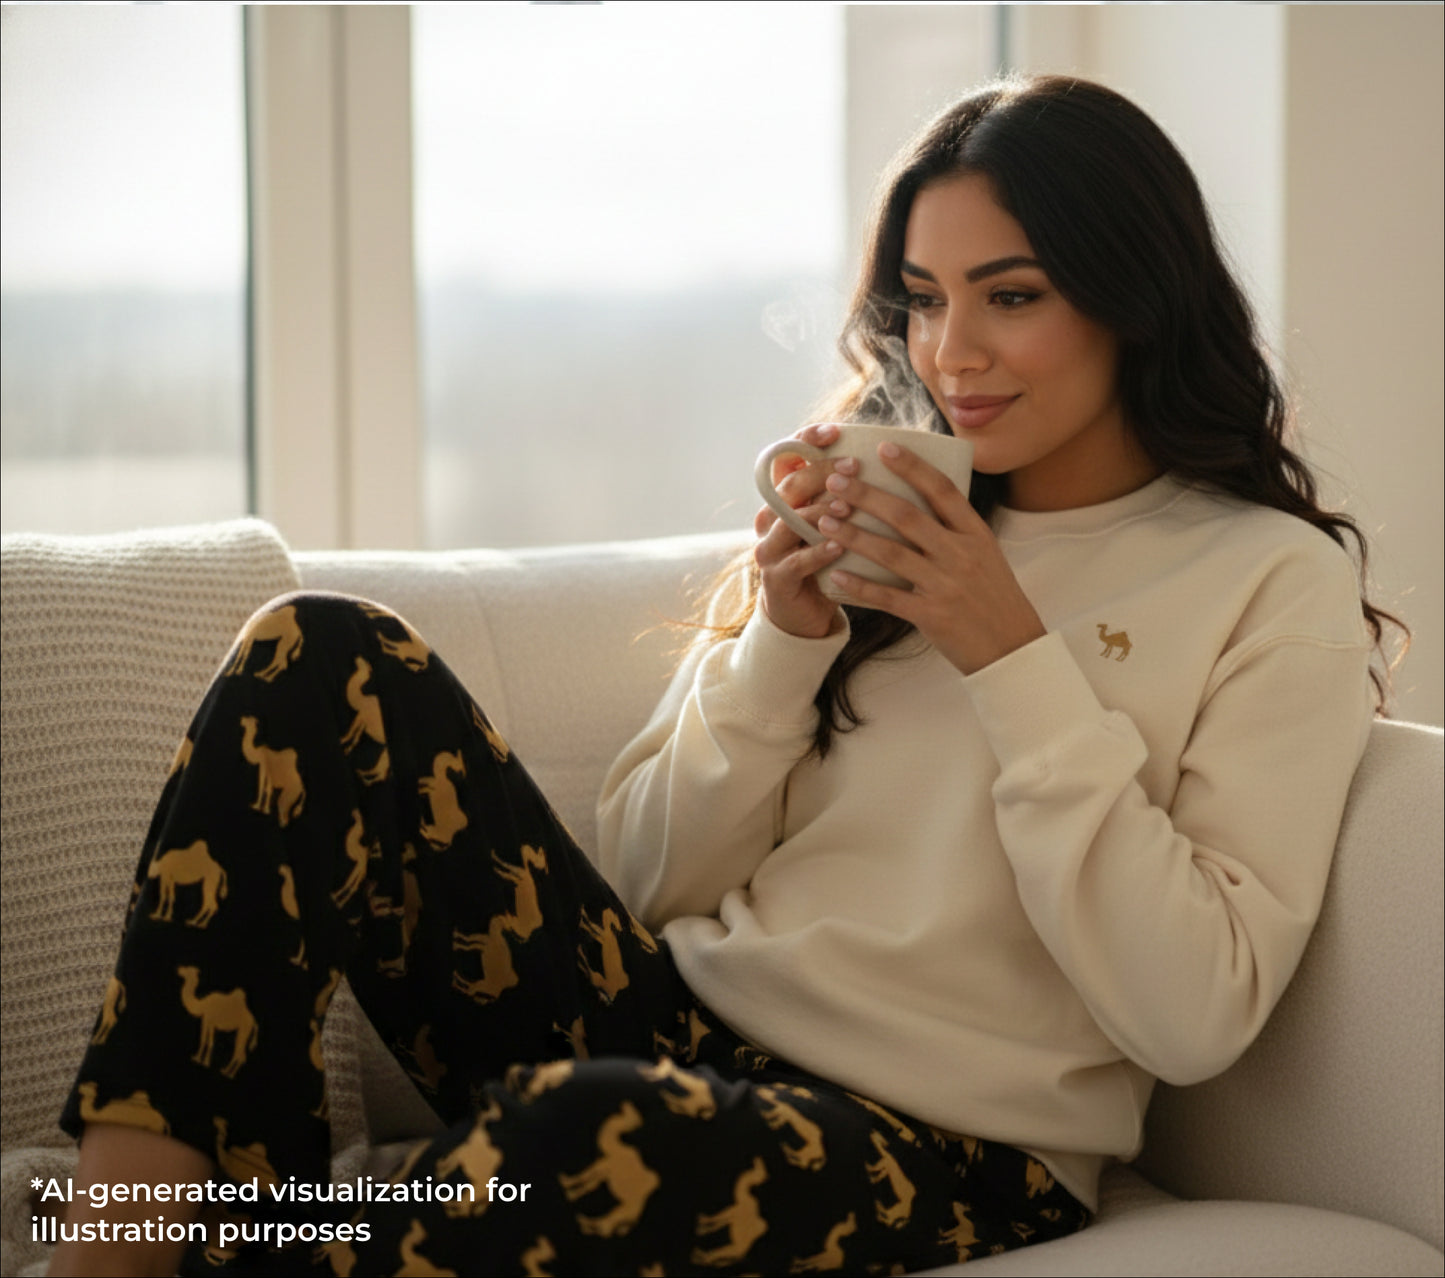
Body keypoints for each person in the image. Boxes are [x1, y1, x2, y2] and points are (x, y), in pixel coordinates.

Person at [50, 74, 1399, 1277]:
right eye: (922, 301)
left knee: (583, 1133)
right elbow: (641, 884)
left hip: (946, 1147)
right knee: (317, 651)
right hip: (675, 1026)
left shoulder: (1260, 578)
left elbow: (1192, 1011)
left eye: (1012, 295)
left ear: (1132, 293)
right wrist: (781, 641)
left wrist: (1011, 655)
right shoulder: (880, 510)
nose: (950, 355)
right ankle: (121, 1243)